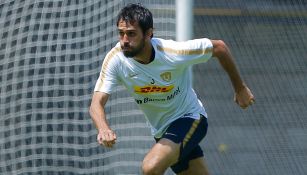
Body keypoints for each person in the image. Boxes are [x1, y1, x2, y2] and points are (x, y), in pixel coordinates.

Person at [89, 3, 254, 175]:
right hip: (162, 132)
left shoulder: (172, 52)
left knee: (150, 167)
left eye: (131, 34)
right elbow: (96, 104)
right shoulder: (115, 59)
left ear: (148, 34)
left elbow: (219, 47)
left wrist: (240, 88)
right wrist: (103, 128)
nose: (124, 40)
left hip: (190, 118)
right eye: (121, 33)